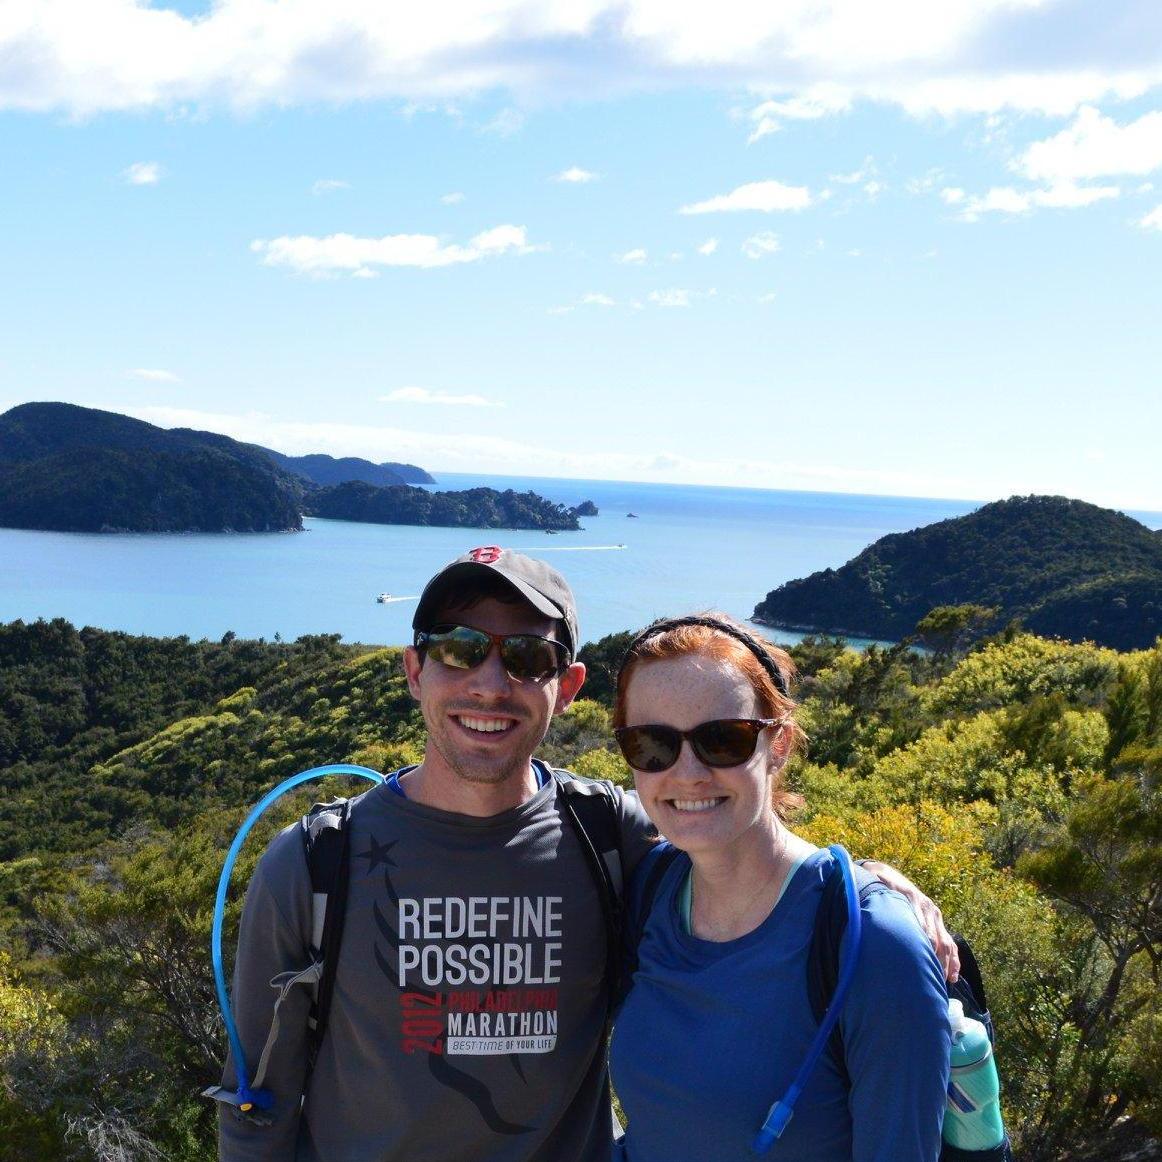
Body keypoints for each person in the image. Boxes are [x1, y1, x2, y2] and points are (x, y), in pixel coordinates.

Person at [218, 550, 956, 1162]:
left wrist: (875, 891)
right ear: (414, 670)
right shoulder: (314, 865)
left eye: (528, 656)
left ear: (566, 688)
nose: (489, 682)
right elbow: (258, 1108)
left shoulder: (609, 839)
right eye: (459, 649)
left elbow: (741, 846)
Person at [609, 614, 951, 1162]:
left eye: (723, 739)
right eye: (652, 744)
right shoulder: (650, 886)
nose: (688, 772)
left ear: (780, 743)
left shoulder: (872, 946)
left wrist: (871, 889)